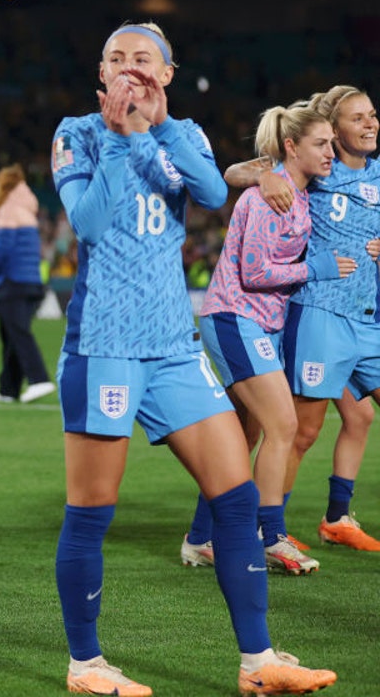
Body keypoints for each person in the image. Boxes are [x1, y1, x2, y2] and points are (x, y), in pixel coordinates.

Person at [50, 23, 336, 695]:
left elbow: (210, 192)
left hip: (175, 349)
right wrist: (121, 140)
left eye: (142, 59)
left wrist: (156, 127)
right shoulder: (76, 132)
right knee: (93, 508)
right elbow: (87, 225)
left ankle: (258, 663)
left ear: (167, 73)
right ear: (100, 70)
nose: (128, 68)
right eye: (115, 58)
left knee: (235, 500)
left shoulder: (185, 134)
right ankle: (85, 665)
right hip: (105, 347)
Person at [181, 104, 351, 577]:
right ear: (292, 146)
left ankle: (201, 538)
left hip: (260, 323)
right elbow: (255, 273)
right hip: (236, 317)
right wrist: (312, 269)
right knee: (283, 426)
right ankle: (270, 534)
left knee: (245, 434)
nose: (330, 153)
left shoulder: (294, 191)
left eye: (332, 144)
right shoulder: (267, 198)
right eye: (321, 144)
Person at [231, 85, 380, 553]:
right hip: (319, 314)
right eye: (358, 119)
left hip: (367, 318)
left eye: (372, 115)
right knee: (303, 429)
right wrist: (263, 178)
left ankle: (336, 517)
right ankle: (267, 526)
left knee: (359, 418)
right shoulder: (318, 169)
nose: (371, 123)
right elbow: (234, 172)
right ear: (333, 133)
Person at [0, 164, 55, 404]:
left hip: (13, 281)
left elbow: (1, 252)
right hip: (31, 281)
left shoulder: (8, 212)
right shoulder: (26, 210)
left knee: (18, 333)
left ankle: (39, 379)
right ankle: (8, 389)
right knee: (11, 333)